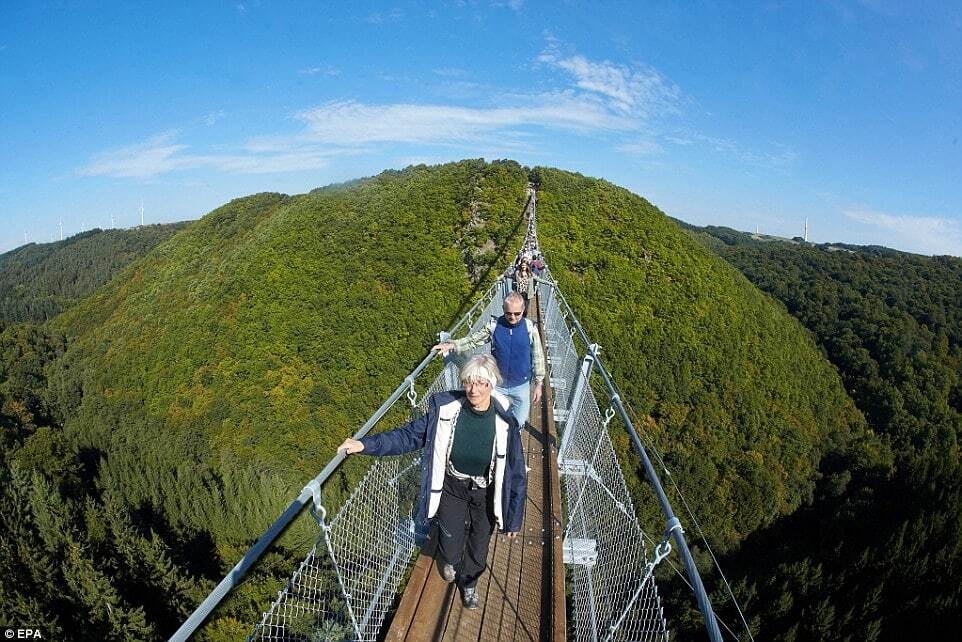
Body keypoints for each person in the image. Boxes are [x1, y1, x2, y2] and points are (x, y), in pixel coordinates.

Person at [338, 355, 526, 609]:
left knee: (479, 544)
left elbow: (516, 473)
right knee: (449, 541)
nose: (474, 390)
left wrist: (513, 518)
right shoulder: (447, 412)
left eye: (481, 383)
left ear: (492, 386)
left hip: (486, 491)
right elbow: (408, 436)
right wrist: (366, 445)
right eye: (469, 382)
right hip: (453, 486)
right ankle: (449, 558)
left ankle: (469, 583)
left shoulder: (505, 422)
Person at [433, 292, 545, 427]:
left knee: (519, 421)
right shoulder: (494, 326)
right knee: (493, 418)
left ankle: (512, 439)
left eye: (517, 313)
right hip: (496, 383)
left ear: (523, 310)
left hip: (521, 384)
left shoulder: (530, 328)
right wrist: (453, 345)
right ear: (503, 309)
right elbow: (474, 340)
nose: (512, 317)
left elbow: (538, 356)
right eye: (509, 313)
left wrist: (539, 383)